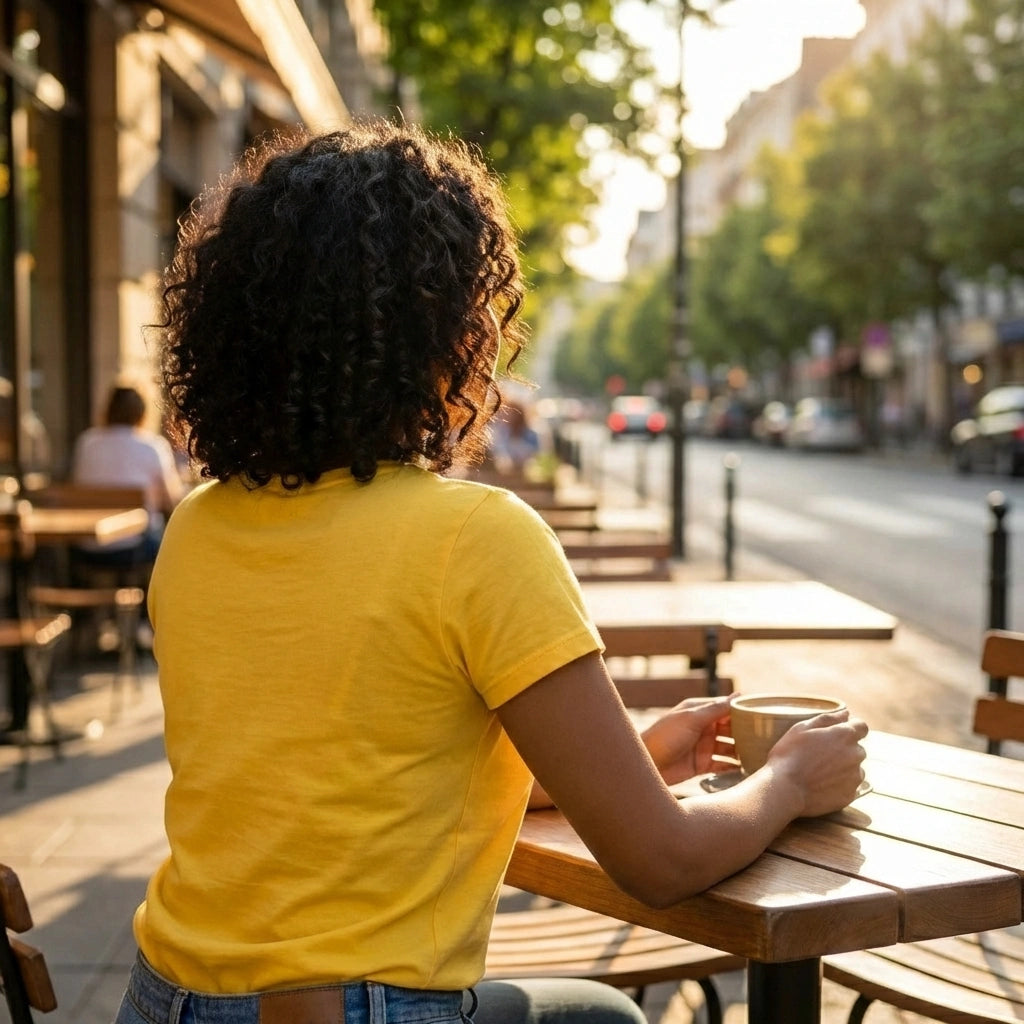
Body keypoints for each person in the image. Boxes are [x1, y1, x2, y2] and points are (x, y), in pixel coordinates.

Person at [112, 120, 868, 1024]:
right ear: (445, 334)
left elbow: (359, 769)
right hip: (358, 1010)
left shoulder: (195, 528)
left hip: (166, 997)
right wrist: (788, 782)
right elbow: (661, 864)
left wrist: (638, 756)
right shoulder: (472, 536)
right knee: (608, 1017)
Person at [71, 383, 185, 568]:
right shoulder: (152, 446)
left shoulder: (87, 443)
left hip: (87, 547)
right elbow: (173, 501)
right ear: (142, 413)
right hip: (135, 549)